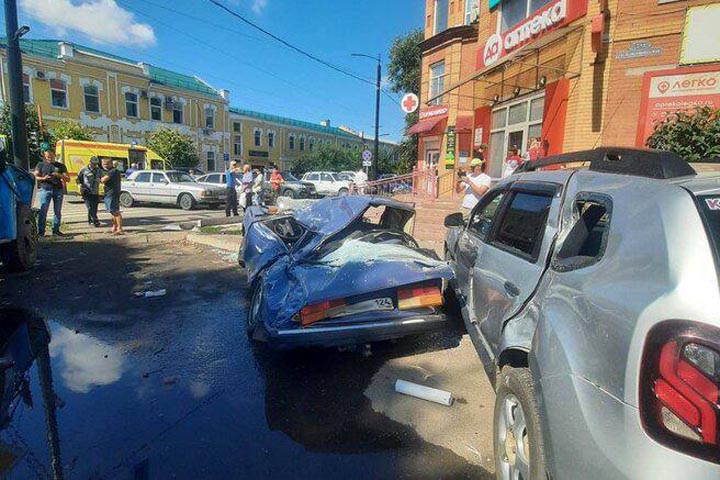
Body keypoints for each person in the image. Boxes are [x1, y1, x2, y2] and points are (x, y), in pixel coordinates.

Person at [34, 142, 69, 237]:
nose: (49, 159)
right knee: (43, 211)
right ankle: (41, 232)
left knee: (57, 211)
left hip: (58, 190)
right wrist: (43, 178)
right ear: (45, 156)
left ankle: (56, 231)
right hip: (45, 189)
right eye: (47, 157)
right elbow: (35, 176)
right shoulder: (40, 164)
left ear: (55, 155)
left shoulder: (61, 166)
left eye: (51, 157)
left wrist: (59, 175)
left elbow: (68, 179)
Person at [100, 157, 124, 235]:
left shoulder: (113, 171)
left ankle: (119, 229)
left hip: (112, 193)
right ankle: (114, 228)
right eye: (103, 164)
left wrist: (100, 178)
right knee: (112, 211)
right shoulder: (109, 171)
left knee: (115, 211)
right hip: (108, 193)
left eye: (107, 164)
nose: (105, 166)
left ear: (111, 163)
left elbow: (104, 180)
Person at [78, 156, 102, 227]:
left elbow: (103, 178)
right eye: (93, 163)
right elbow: (78, 179)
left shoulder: (99, 170)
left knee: (94, 207)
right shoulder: (83, 169)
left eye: (96, 164)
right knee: (89, 207)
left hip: (95, 191)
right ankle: (95, 220)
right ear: (90, 162)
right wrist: (80, 185)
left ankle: (90, 220)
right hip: (86, 191)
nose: (94, 165)